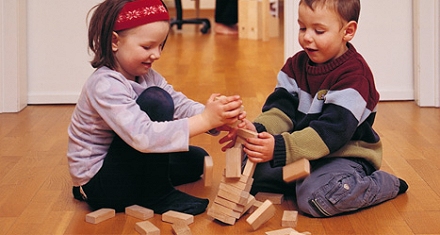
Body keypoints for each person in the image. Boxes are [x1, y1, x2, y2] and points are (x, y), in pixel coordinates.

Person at [220, 0, 408, 217]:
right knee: (249, 168)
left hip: (343, 156)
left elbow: (330, 134)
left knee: (315, 198)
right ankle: (301, 180)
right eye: (302, 28)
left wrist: (280, 148)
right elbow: (280, 111)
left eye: (318, 31)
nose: (307, 37)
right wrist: (257, 131)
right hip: (304, 151)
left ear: (348, 31)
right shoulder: (295, 65)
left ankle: (382, 184)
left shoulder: (355, 77)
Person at [67, 0, 245, 216]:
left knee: (197, 159)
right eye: (147, 47)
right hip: (101, 186)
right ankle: (157, 194)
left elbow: (178, 104)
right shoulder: (105, 85)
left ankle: (146, 187)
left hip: (125, 162)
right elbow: (143, 136)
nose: (157, 54)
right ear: (115, 41)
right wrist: (205, 120)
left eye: (161, 45)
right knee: (156, 101)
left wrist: (217, 118)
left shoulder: (146, 75)